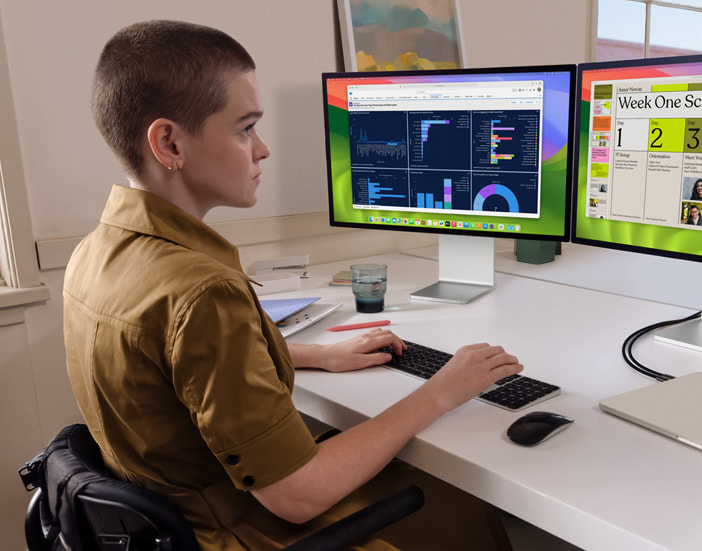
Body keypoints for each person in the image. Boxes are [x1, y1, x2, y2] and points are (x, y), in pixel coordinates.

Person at [64, 20, 522, 551]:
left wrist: (314, 355)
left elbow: (175, 367)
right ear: (169, 142)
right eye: (244, 129)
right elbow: (297, 495)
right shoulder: (202, 291)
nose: (262, 149)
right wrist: (440, 390)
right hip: (244, 531)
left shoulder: (97, 252)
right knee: (458, 494)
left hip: (171, 521)